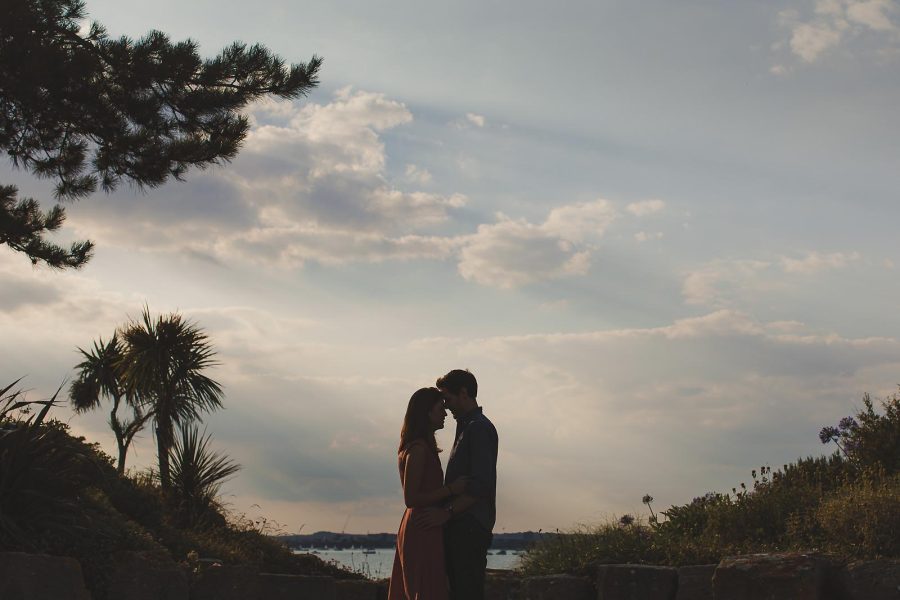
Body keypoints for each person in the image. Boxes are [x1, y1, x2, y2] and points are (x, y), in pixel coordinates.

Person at [417, 369, 498, 600]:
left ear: (463, 393)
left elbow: (480, 485)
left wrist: (447, 513)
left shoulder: (478, 428)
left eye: (447, 399)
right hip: (463, 526)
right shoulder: (467, 427)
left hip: (469, 527)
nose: (446, 406)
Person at [388, 387, 468, 600]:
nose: (444, 413)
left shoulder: (420, 447)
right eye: (440, 408)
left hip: (425, 523)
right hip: (423, 524)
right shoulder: (418, 450)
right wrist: (451, 489)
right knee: (426, 589)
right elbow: (411, 498)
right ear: (427, 412)